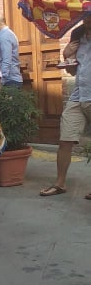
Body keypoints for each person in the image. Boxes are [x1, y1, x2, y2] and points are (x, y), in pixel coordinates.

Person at [40, 12, 91, 199]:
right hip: (79, 95)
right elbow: (71, 70)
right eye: (85, 16)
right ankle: (60, 183)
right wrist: (67, 54)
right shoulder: (78, 36)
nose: (86, 19)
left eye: (90, 15)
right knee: (65, 139)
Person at [0, 14, 23, 87]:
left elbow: (6, 60)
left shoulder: (4, 37)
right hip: (12, 78)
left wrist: (1, 80)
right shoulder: (9, 34)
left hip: (9, 80)